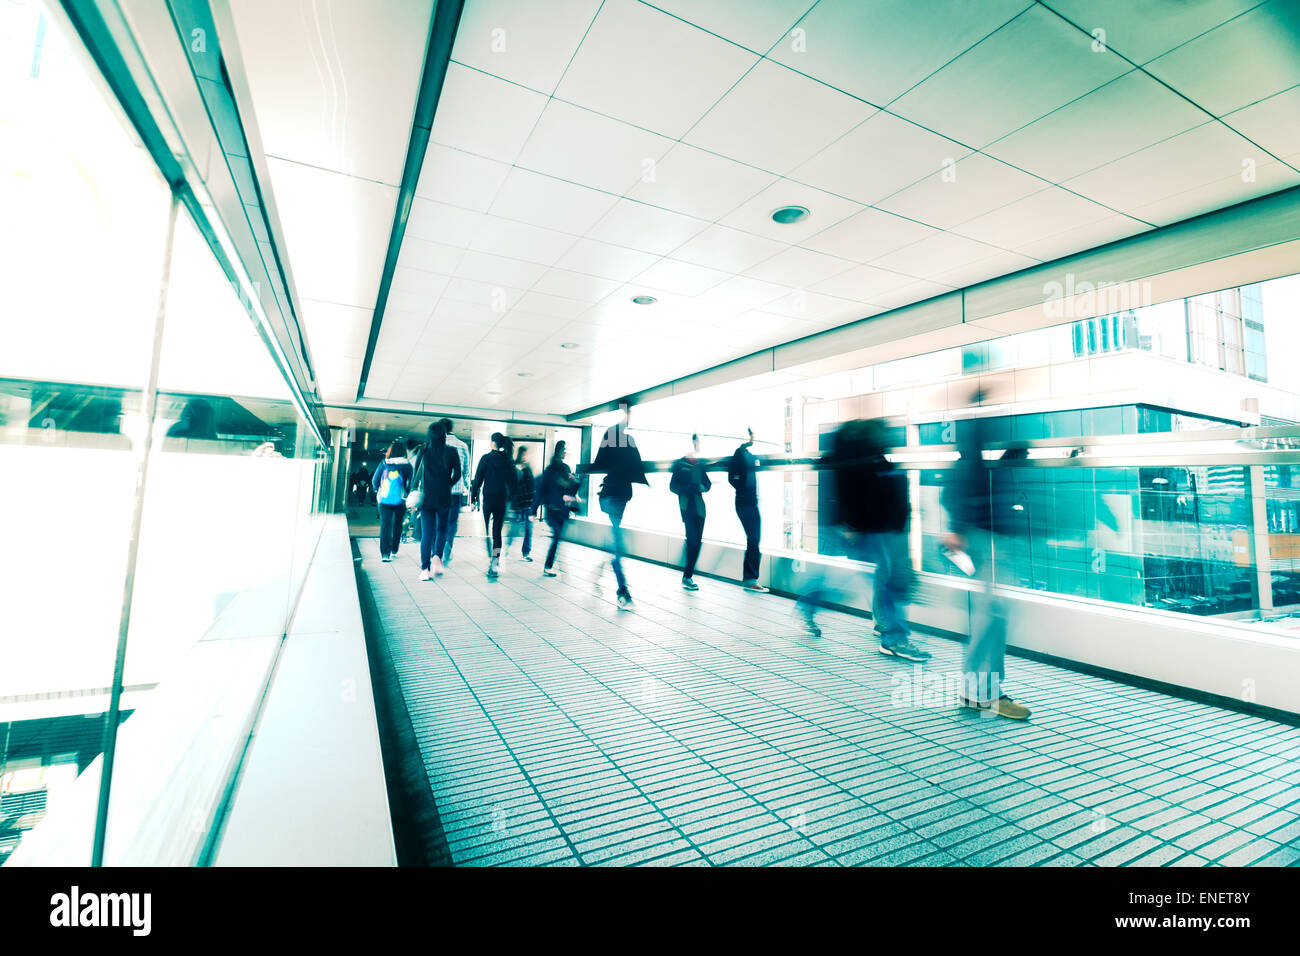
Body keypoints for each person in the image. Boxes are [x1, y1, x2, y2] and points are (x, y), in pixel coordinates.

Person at [796, 419, 931, 662]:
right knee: (880, 580)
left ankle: (886, 629)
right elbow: (853, 488)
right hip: (868, 528)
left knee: (879, 579)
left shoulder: (868, 452)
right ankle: (893, 637)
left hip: (875, 527)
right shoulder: (860, 451)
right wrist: (852, 524)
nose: (888, 437)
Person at [943, 394, 1032, 720]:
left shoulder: (986, 426)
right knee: (992, 614)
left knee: (994, 614)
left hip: (991, 532)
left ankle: (982, 691)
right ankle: (980, 693)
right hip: (986, 534)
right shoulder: (982, 425)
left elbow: (976, 469)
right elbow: (970, 471)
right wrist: (956, 526)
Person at [591, 405, 648, 610]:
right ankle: (622, 591)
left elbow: (599, 462)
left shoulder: (614, 436)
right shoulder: (624, 439)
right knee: (617, 545)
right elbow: (637, 465)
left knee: (615, 539)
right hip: (616, 495)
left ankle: (600, 573)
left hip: (613, 495)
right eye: (628, 414)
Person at [411, 422, 462, 581]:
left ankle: (424, 570)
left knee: (427, 534)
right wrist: (448, 484)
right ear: (444, 435)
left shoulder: (423, 451)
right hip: (444, 497)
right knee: (442, 530)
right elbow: (458, 474)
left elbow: (415, 476)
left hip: (426, 498)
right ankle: (437, 557)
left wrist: (413, 496)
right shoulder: (452, 451)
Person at [471, 432, 517, 580]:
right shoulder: (508, 461)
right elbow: (514, 483)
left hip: (488, 499)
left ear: (492, 443)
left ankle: (489, 555)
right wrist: (511, 499)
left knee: (486, 530)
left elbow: (478, 479)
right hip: (501, 500)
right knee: (497, 532)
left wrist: (474, 497)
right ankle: (495, 562)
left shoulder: (486, 458)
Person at [728, 427, 768, 592]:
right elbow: (732, 477)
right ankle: (750, 579)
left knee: (755, 538)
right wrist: (742, 489)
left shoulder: (749, 456)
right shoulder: (739, 454)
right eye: (751, 435)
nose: (753, 438)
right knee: (753, 538)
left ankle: (750, 578)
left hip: (750, 501)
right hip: (745, 502)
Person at [670, 434, 711, 591]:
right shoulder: (680, 464)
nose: (697, 445)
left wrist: (702, 487)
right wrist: (693, 487)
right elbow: (673, 486)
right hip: (687, 508)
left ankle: (688, 575)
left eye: (698, 442)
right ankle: (687, 576)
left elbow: (707, 484)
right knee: (692, 541)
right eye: (696, 442)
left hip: (700, 509)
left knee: (696, 543)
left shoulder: (700, 465)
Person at [537, 440, 579, 577]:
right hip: (552, 509)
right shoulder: (551, 470)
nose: (566, 451)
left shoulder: (565, 468)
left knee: (557, 536)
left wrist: (575, 481)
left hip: (562, 510)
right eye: (564, 449)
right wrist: (533, 510)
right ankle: (548, 566)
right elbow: (541, 489)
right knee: (556, 536)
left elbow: (571, 488)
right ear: (559, 450)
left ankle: (549, 565)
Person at [372, 442, 413, 563]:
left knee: (385, 525)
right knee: (398, 524)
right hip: (401, 500)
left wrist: (377, 491)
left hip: (384, 499)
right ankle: (394, 549)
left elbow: (375, 480)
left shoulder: (384, 463)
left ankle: (385, 554)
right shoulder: (407, 465)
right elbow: (410, 484)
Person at [439, 419, 470, 565]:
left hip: (438, 491)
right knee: (452, 522)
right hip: (456, 490)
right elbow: (465, 470)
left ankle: (438, 548)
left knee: (439, 520)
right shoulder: (462, 445)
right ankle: (448, 547)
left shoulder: (436, 444)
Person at [506, 445, 536, 561]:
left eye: (526, 454)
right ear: (520, 454)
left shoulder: (528, 468)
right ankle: (505, 549)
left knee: (529, 530)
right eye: (523, 453)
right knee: (513, 530)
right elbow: (512, 487)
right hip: (517, 505)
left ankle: (526, 553)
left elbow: (531, 487)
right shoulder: (514, 467)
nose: (525, 456)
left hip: (528, 505)